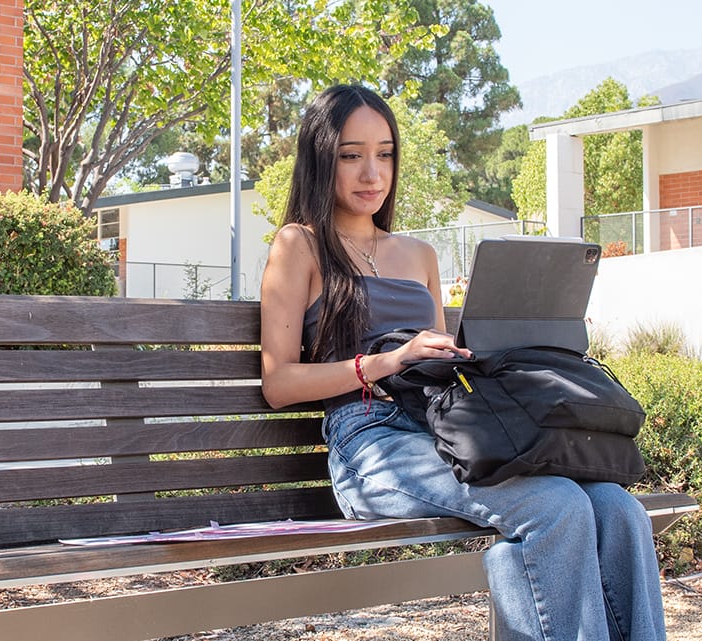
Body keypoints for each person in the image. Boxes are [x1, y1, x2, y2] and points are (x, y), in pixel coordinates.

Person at [257, 84, 667, 641]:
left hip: (445, 429)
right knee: (554, 508)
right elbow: (278, 381)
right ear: (321, 159)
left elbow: (445, 373)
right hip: (371, 445)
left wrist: (530, 339)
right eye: (351, 155)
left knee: (618, 510)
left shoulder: (418, 254)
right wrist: (384, 362)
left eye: (385, 154)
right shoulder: (298, 245)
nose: (372, 173)